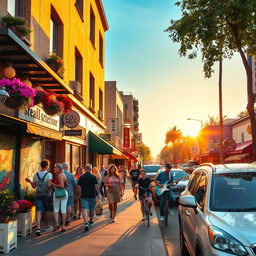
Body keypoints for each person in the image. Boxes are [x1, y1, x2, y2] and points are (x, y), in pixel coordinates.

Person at [25, 159, 53, 236]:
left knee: (38, 211)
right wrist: (52, 186)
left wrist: (30, 181)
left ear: (41, 165)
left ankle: (38, 227)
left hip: (38, 194)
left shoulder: (35, 175)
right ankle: (47, 225)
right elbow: (48, 185)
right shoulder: (49, 175)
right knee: (47, 210)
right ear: (47, 166)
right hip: (46, 194)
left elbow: (34, 187)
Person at [78, 164, 100, 232]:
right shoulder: (93, 177)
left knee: (85, 209)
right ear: (90, 169)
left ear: (85, 169)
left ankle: (85, 222)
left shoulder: (81, 177)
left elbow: (79, 187)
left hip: (84, 196)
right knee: (92, 209)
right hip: (92, 195)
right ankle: (91, 220)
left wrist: (79, 194)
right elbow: (96, 186)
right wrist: (98, 194)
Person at [51, 163, 68, 232]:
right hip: (64, 193)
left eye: (55, 168)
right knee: (63, 209)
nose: (54, 169)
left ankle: (57, 224)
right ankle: (63, 226)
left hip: (59, 193)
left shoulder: (60, 175)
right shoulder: (63, 174)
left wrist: (53, 184)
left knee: (56, 209)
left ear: (59, 169)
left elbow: (61, 185)